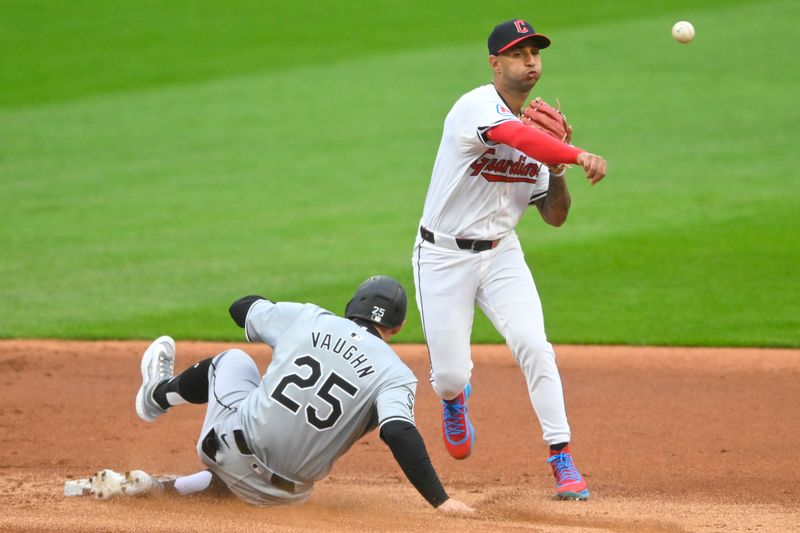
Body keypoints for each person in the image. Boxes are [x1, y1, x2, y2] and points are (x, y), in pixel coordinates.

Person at [411, 18, 607, 500]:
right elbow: (515, 138)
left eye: (536, 53)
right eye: (519, 54)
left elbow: (555, 217)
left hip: (502, 255)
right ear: (495, 63)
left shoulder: (543, 139)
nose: (531, 62)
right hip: (442, 256)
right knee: (450, 376)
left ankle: (561, 456)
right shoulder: (474, 107)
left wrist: (558, 169)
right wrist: (575, 152)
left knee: (534, 345)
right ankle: (455, 400)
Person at [89, 276, 474, 516]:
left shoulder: (312, 318)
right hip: (284, 498)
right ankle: (161, 490)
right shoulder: (396, 375)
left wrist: (273, 312)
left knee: (234, 359)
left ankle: (156, 395)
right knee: (352, 422)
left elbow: (240, 309)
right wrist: (441, 501)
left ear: (351, 306)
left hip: (227, 451)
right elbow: (398, 433)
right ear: (398, 326)